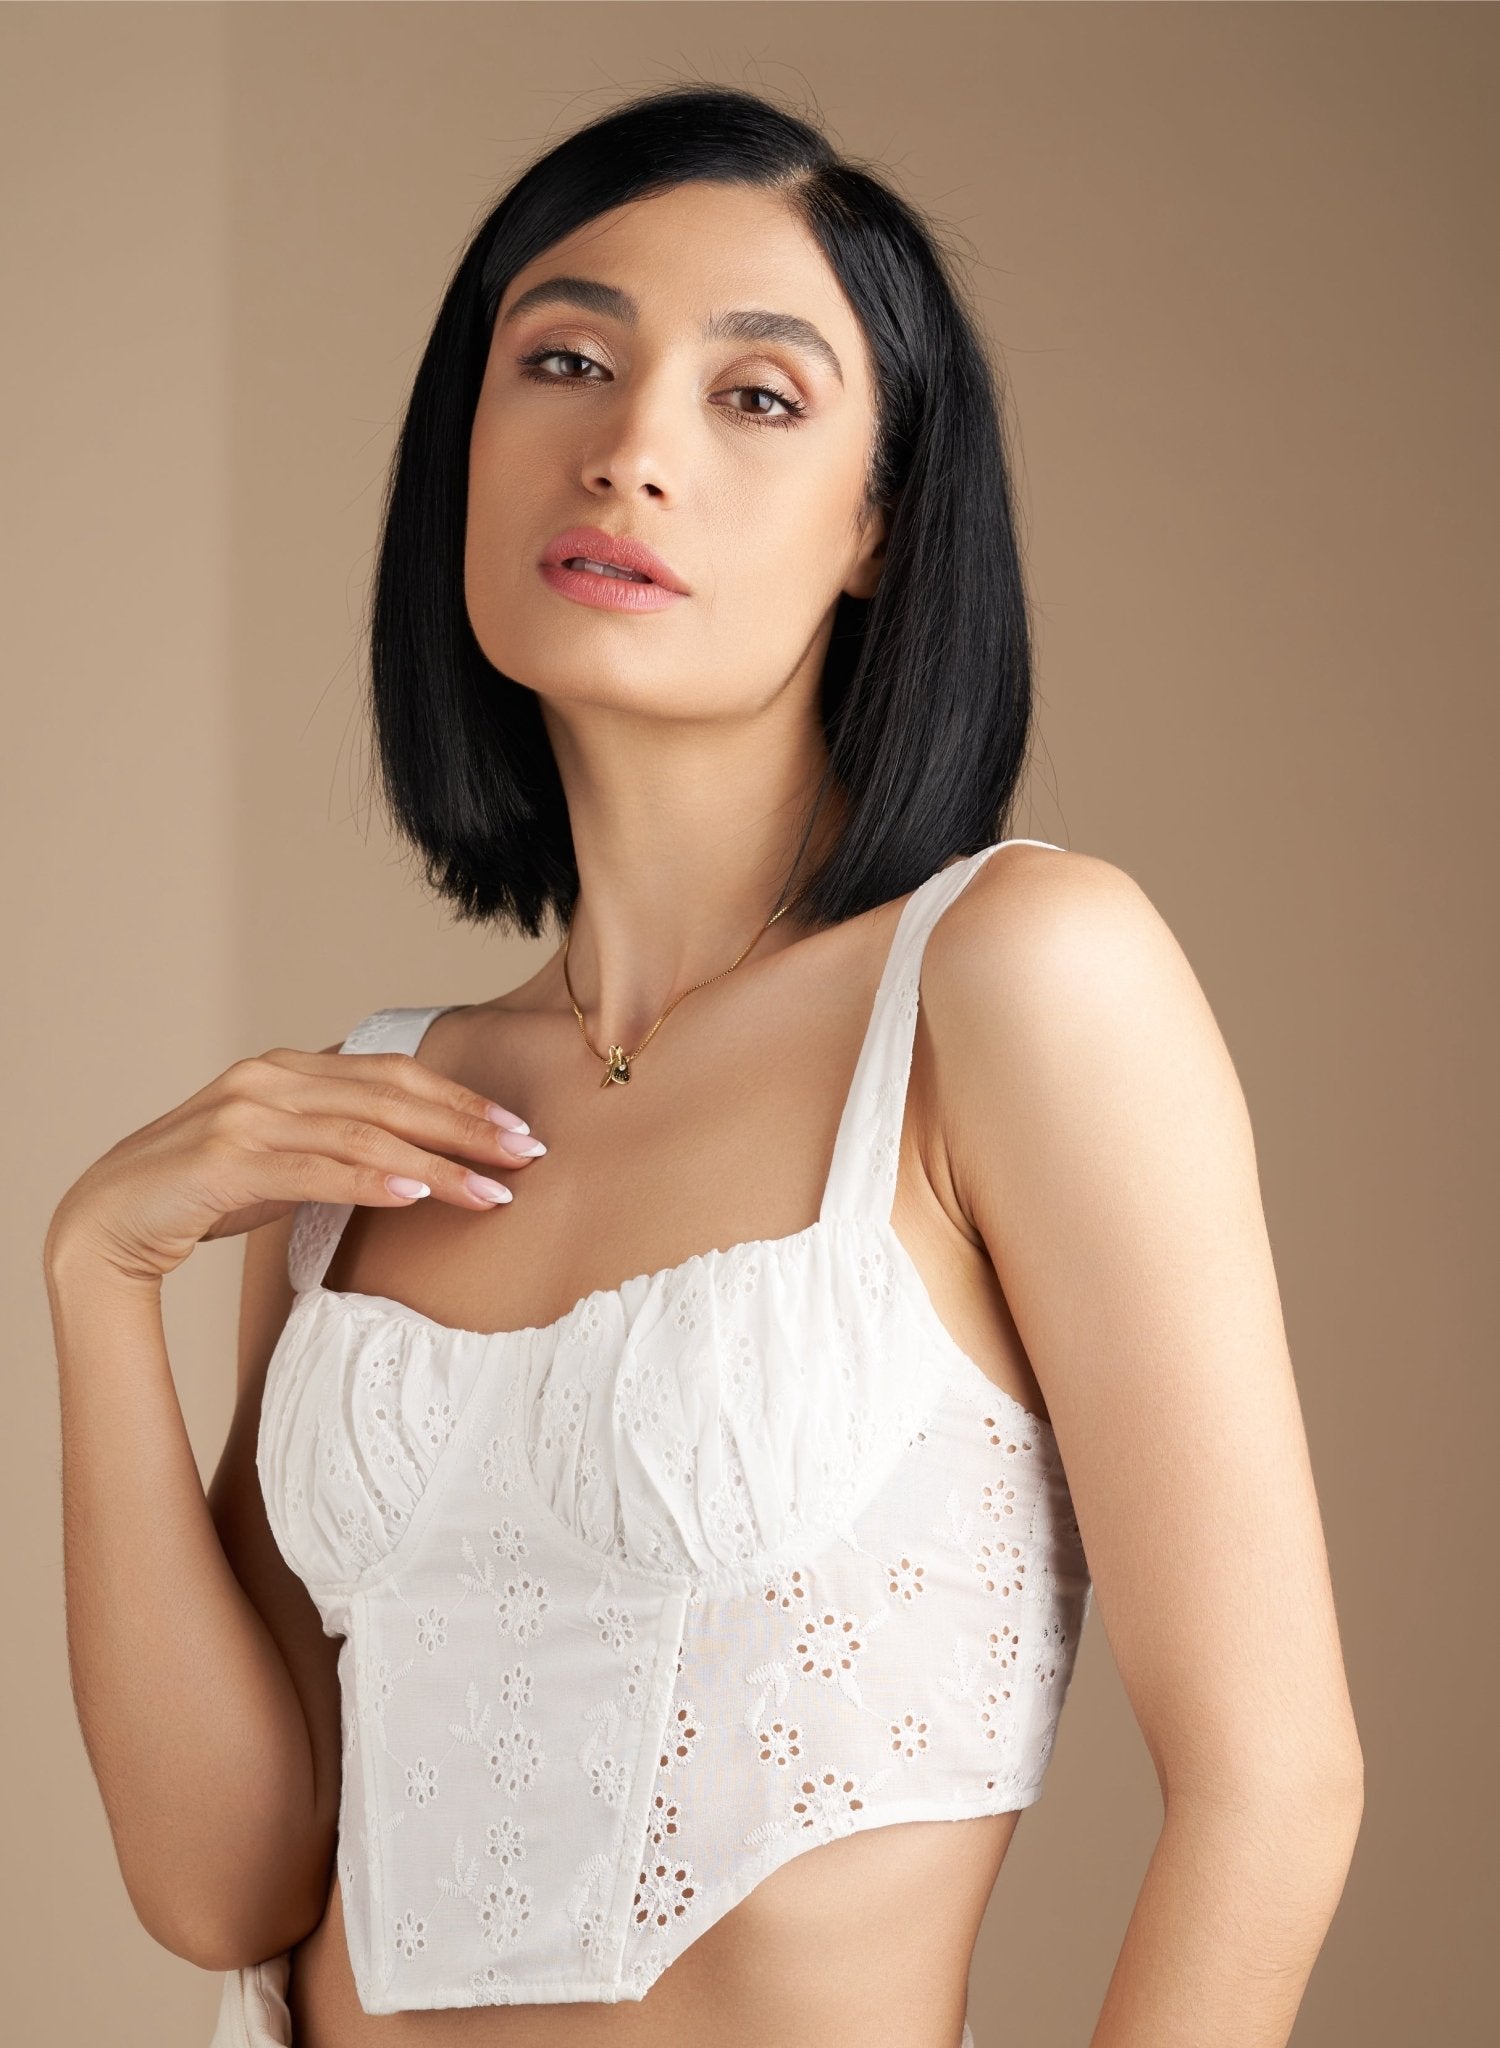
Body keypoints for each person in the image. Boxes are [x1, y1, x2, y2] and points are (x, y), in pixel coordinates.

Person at [45, 82, 1363, 2048]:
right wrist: (93, 1282)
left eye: (757, 397)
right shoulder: (367, 1118)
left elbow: (1275, 1790)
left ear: (878, 523)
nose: (629, 451)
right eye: (563, 360)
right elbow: (224, 1881)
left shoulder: (1014, 981)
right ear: (463, 453)